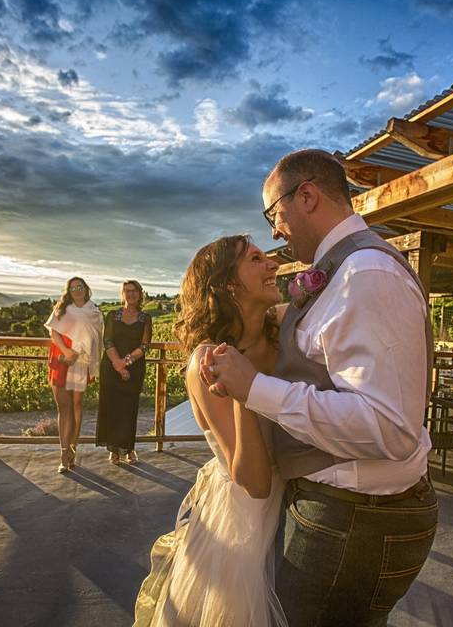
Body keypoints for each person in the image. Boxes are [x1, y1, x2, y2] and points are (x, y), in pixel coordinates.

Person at [204, 149, 437, 627]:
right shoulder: (344, 272)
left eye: (274, 214)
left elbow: (390, 429)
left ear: (306, 196)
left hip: (354, 519)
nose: (274, 233)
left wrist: (256, 390)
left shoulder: (366, 274)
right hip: (345, 514)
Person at [134, 235, 288, 627]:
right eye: (257, 259)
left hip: (295, 506)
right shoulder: (207, 362)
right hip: (243, 523)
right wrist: (242, 392)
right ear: (227, 285)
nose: (273, 265)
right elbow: (253, 480)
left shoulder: (283, 330)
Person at [45, 277, 103, 473]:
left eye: (80, 287)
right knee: (64, 408)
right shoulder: (62, 308)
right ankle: (63, 454)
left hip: (80, 363)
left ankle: (72, 451)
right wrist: (67, 352)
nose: (77, 290)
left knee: (77, 405)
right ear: (68, 290)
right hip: (61, 359)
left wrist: (77, 352)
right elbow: (55, 333)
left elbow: (95, 338)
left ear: (86, 289)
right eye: (73, 288)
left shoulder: (93, 311)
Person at [97, 280, 152, 465]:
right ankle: (113, 450)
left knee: (130, 408)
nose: (131, 294)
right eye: (127, 291)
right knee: (112, 408)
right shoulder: (112, 315)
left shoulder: (146, 318)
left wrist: (126, 362)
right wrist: (119, 365)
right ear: (123, 294)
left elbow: (145, 345)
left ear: (140, 294)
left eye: (134, 291)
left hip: (135, 367)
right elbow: (108, 341)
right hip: (111, 367)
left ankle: (129, 449)